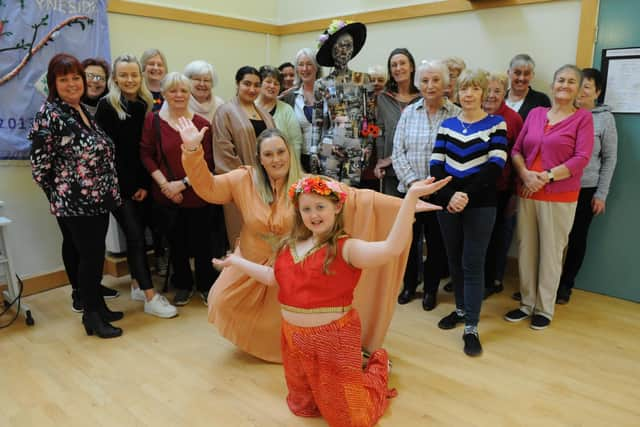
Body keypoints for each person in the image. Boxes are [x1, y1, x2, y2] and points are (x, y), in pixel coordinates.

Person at [211, 174, 449, 427]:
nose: (314, 214)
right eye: (307, 209)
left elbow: (391, 248)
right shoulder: (288, 246)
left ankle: (377, 368)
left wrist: (410, 198)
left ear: (337, 207)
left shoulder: (346, 247)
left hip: (333, 341)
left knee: (351, 419)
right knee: (303, 406)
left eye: (320, 207)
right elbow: (272, 277)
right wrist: (236, 261)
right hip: (293, 339)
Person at [180, 125, 418, 363]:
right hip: (252, 257)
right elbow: (208, 187)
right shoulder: (242, 179)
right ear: (259, 159)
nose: (276, 159)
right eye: (269, 154)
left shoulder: (307, 184)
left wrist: (406, 205)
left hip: (289, 264)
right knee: (220, 300)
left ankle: (289, 349)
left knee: (285, 316)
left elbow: (357, 198)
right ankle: (265, 344)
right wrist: (192, 150)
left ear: (290, 153)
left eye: (281, 152)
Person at [29, 53, 122, 338]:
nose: (71, 84)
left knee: (93, 257)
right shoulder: (50, 114)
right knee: (90, 258)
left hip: (99, 198)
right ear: (53, 83)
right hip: (76, 203)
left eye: (75, 78)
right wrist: (61, 196)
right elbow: (39, 166)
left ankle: (99, 305)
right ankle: (91, 316)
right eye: (63, 79)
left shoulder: (80, 109)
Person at [504, 65, 594, 330]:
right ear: (552, 85)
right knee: (526, 248)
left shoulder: (583, 119)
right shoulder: (535, 113)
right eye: (560, 80)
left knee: (551, 254)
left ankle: (544, 308)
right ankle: (526, 303)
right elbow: (517, 149)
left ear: (578, 88)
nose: (564, 85)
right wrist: (525, 174)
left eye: (570, 81)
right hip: (527, 192)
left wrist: (544, 177)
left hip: (559, 195)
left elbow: (581, 158)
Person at [431, 68, 508, 356]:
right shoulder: (447, 124)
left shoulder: (496, 123)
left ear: (483, 92)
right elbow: (436, 166)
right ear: (457, 92)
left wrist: (465, 194)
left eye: (474, 89)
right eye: (464, 89)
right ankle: (461, 310)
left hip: (481, 203)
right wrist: (451, 195)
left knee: (473, 263)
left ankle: (471, 327)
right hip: (448, 202)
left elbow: (494, 166)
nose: (468, 94)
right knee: (453, 259)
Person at [95, 54, 178, 318]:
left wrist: (144, 184)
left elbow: (145, 150)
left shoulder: (145, 104)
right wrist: (131, 188)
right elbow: (110, 155)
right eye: (124, 75)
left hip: (143, 184)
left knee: (144, 236)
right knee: (134, 237)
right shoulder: (107, 107)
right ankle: (150, 297)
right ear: (115, 78)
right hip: (118, 187)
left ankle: (136, 285)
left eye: (134, 75)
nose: (129, 80)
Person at [139, 72, 217, 306]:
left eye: (183, 90)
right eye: (173, 90)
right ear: (163, 94)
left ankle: (206, 285)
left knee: (203, 244)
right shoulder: (153, 121)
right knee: (176, 243)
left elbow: (209, 163)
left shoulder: (202, 125)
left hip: (198, 194)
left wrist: (182, 184)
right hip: (167, 197)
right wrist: (165, 185)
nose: (179, 95)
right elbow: (146, 154)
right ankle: (182, 284)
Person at [392, 59, 461, 310]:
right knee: (408, 243)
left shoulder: (456, 114)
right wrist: (414, 185)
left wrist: (436, 187)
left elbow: (458, 156)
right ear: (418, 83)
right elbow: (397, 152)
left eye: (435, 80)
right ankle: (409, 285)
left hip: (441, 193)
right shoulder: (409, 112)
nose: (430, 85)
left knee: (436, 244)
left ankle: (431, 289)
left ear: (445, 83)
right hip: (410, 193)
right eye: (424, 80)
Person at [557, 68, 617, 304]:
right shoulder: (565, 113)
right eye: (578, 85)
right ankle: (544, 283)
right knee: (553, 238)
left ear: (598, 92)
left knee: (577, 238)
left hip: (586, 188)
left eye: (587, 87)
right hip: (558, 186)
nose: (580, 91)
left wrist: (602, 193)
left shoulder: (604, 119)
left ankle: (565, 284)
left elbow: (610, 158)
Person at [212, 66, 275, 247]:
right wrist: (249, 179)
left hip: (268, 184)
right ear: (237, 84)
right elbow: (224, 152)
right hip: (240, 186)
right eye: (247, 84)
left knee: (266, 235)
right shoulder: (225, 112)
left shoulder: (264, 113)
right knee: (242, 234)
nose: (252, 89)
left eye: (256, 85)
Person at [310, 20, 376, 186]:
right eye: (340, 46)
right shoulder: (321, 84)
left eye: (349, 46)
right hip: (329, 146)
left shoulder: (364, 80)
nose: (344, 50)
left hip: (356, 147)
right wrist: (313, 151)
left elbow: (371, 117)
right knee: (329, 192)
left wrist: (368, 146)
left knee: (351, 194)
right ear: (332, 49)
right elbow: (317, 122)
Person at [482, 73, 523, 298]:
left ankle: (493, 280)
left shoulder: (513, 119)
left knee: (497, 236)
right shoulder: (472, 114)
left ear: (504, 93)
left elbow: (519, 156)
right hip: (474, 188)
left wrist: (515, 194)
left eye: (497, 91)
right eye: (487, 90)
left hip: (501, 189)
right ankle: (475, 278)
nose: (491, 95)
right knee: (476, 236)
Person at [374, 48, 421, 197]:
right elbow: (380, 132)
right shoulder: (382, 98)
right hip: (390, 171)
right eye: (394, 65)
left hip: (417, 170)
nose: (398, 68)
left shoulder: (423, 98)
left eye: (402, 63)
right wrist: (380, 161)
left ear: (412, 67)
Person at [280, 48, 322, 172]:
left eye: (309, 64)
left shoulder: (328, 93)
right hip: (300, 158)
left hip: (326, 157)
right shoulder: (290, 96)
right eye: (301, 65)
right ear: (297, 69)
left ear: (317, 67)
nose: (305, 69)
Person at [256, 65, 303, 159]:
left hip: (280, 163)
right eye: (268, 82)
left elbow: (296, 142)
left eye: (276, 83)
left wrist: (295, 167)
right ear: (260, 83)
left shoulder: (287, 110)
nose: (272, 86)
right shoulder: (250, 107)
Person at [505, 54, 551, 121]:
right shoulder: (500, 98)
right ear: (509, 73)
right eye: (517, 73)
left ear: (532, 75)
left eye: (526, 74)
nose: (521, 78)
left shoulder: (541, 100)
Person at [183, 60, 224, 124]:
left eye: (206, 80)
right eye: (197, 79)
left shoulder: (220, 104)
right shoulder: (180, 102)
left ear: (212, 83)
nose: (202, 84)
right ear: (187, 81)